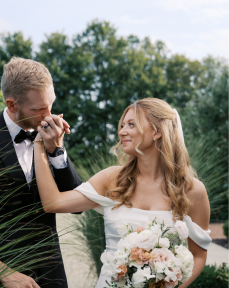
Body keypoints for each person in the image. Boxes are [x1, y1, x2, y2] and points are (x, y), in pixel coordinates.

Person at [33, 98, 212, 288]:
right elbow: (53, 203)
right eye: (123, 125)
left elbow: (199, 255)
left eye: (132, 124)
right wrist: (39, 144)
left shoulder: (192, 190)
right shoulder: (112, 179)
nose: (121, 131)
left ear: (158, 131)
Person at [0, 57, 82, 288]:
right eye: (39, 109)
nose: (49, 115)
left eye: (51, 104)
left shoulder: (51, 136)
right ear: (12, 105)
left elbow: (77, 205)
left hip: (52, 275)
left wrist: (56, 151)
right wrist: (0, 271)